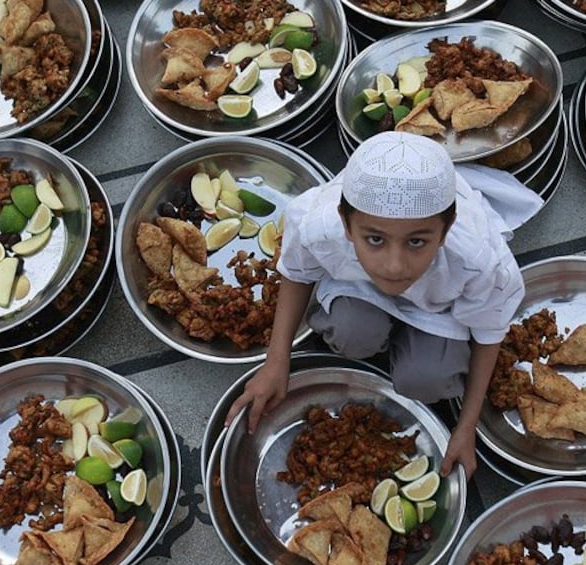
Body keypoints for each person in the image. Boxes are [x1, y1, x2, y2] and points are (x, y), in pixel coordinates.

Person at [225, 131, 543, 477]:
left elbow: (488, 333)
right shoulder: (319, 226)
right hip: (358, 285)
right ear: (347, 226)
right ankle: (377, 330)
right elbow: (297, 272)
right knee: (350, 334)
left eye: (417, 242)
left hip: (439, 307)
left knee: (427, 381)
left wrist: (466, 427)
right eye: (375, 239)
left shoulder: (478, 261)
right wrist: (276, 360)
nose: (394, 266)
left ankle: (413, 351)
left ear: (447, 228)